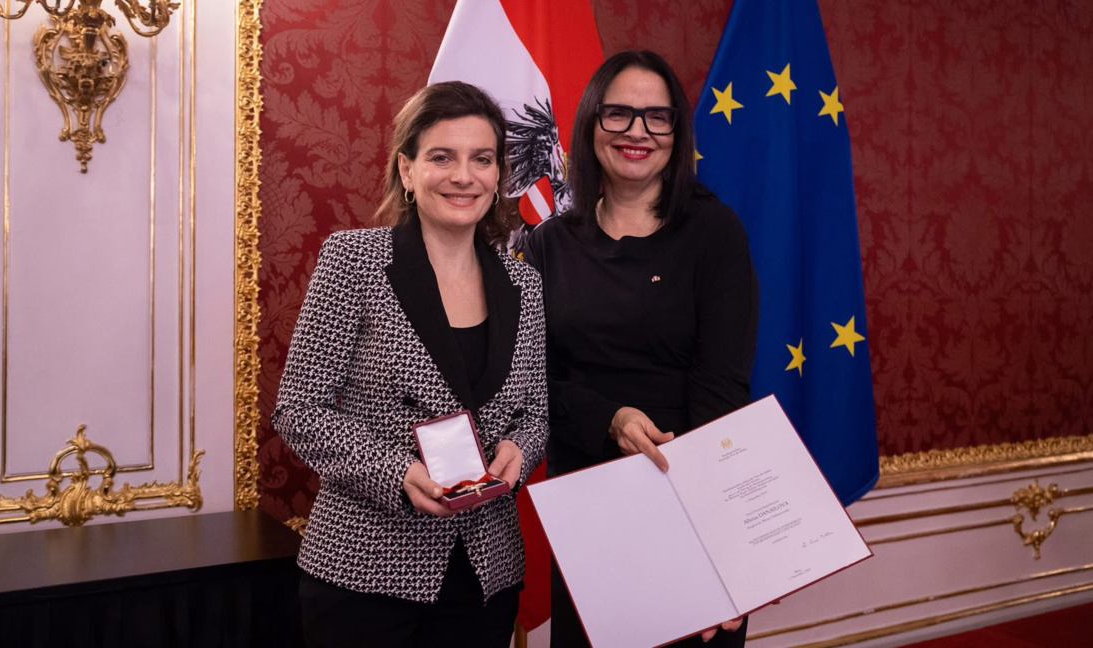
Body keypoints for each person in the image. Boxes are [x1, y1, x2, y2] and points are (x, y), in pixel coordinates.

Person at [273, 81, 548, 648]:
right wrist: (395, 473)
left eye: (482, 159)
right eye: (442, 157)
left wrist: (520, 451)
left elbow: (537, 414)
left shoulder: (524, 282)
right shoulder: (353, 261)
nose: (463, 176)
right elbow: (299, 410)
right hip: (366, 569)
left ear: (499, 175)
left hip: (485, 572)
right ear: (407, 169)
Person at [523, 50, 758, 647]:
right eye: (619, 114)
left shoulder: (715, 232)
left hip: (692, 494)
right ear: (590, 123)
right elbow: (531, 383)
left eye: (657, 116)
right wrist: (612, 418)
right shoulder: (550, 242)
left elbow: (723, 385)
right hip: (587, 497)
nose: (638, 132)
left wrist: (715, 537)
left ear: (677, 133)